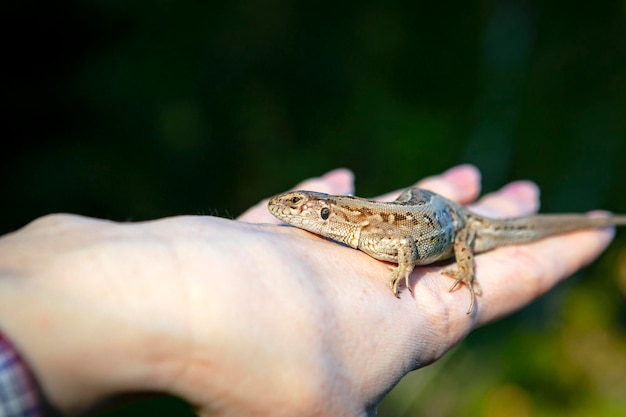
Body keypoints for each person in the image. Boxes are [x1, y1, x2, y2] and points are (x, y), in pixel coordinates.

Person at [0, 165, 615, 417]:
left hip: (457, 223)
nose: (292, 213)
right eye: (298, 210)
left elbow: (415, 240)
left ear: (329, 214)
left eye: (304, 210)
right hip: (430, 210)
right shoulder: (350, 223)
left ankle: (600, 220)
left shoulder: (369, 231)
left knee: (499, 233)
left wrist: (446, 269)